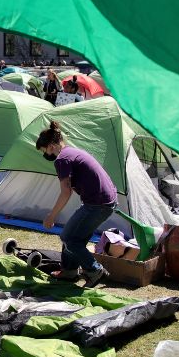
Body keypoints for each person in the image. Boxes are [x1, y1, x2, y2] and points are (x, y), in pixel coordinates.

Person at [39, 121, 116, 286]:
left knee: (68, 237)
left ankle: (95, 270)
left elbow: (66, 191)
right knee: (74, 237)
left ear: (51, 146)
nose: (46, 155)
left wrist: (51, 216)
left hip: (97, 203)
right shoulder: (72, 152)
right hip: (106, 201)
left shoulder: (62, 159)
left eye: (44, 151)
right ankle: (69, 271)